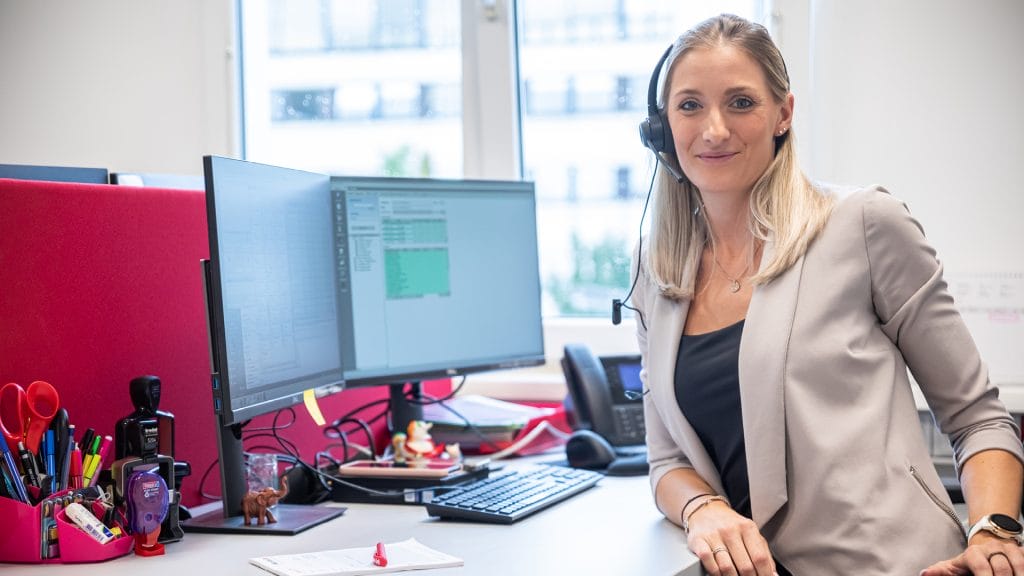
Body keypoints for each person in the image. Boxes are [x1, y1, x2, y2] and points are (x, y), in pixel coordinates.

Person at [631, 13, 1024, 576]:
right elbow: (667, 458)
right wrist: (703, 509)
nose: (713, 129)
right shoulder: (657, 268)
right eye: (690, 105)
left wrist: (993, 531)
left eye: (740, 103)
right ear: (661, 127)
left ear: (782, 115)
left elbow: (977, 416)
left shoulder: (861, 223)